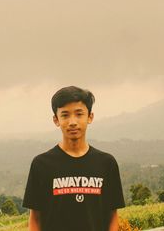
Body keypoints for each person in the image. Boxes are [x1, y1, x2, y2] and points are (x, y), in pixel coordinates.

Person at [22, 86, 125, 231]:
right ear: (56, 120)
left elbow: (112, 216)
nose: (72, 122)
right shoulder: (41, 164)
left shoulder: (106, 164)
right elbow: (35, 219)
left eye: (79, 114)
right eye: (65, 115)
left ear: (90, 117)